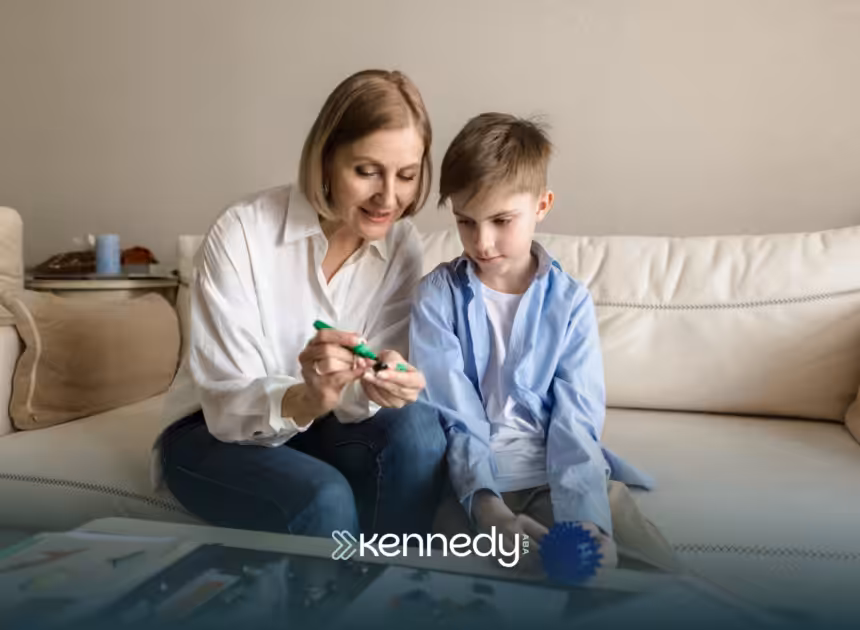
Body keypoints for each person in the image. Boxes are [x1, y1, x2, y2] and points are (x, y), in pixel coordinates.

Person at [158, 70, 447, 539]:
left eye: (407, 175)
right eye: (367, 171)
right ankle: (341, 606)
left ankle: (393, 591)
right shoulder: (243, 233)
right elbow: (226, 407)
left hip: (321, 423)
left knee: (418, 429)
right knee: (324, 496)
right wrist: (308, 396)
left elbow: (370, 386)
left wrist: (382, 382)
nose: (388, 198)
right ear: (327, 160)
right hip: (213, 429)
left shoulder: (401, 245)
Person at [410, 113, 678, 573]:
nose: (482, 241)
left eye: (501, 220)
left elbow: (577, 419)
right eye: (465, 222)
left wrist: (587, 517)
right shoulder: (436, 296)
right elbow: (453, 417)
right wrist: (488, 508)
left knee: (657, 576)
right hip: (475, 483)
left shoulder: (570, 302)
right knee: (457, 581)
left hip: (561, 477)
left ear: (542, 205)